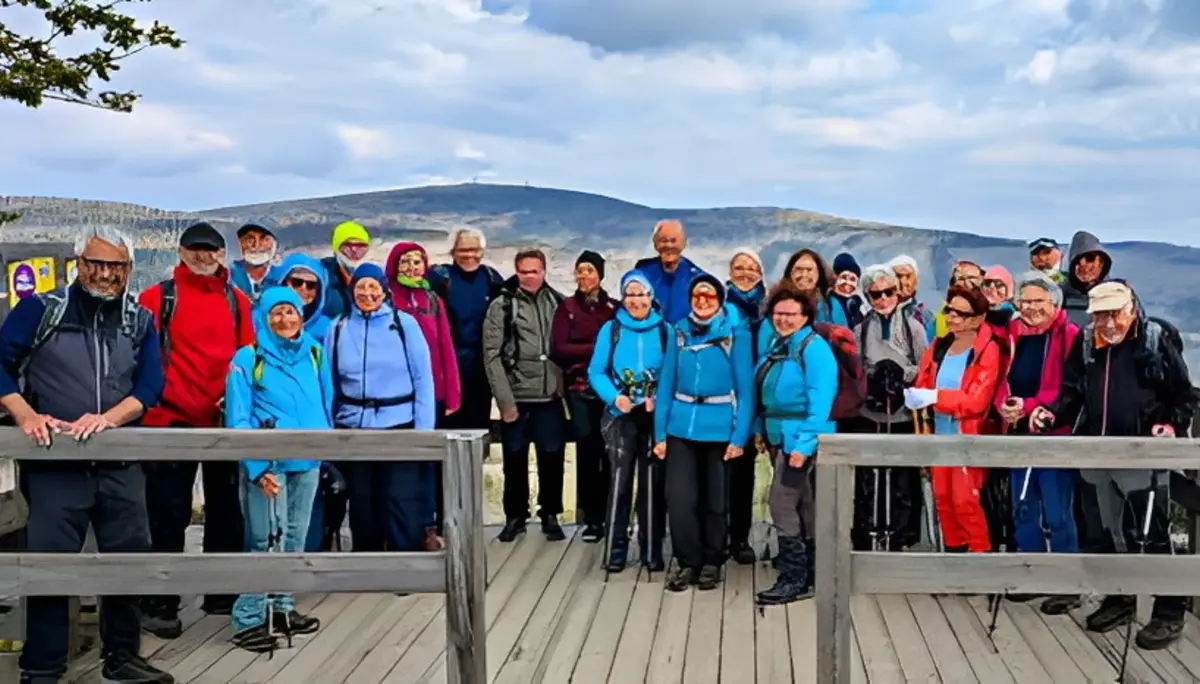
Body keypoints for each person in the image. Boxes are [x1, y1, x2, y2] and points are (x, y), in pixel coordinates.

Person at [0, 226, 173, 683]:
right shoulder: (42, 309)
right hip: (56, 463)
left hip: (120, 460)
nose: (105, 273)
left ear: (129, 270)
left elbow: (151, 385)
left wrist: (109, 419)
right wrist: (24, 414)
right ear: (79, 263)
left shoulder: (138, 319)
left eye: (115, 265)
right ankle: (41, 667)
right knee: (51, 566)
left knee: (128, 561)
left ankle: (122, 656)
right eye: (95, 262)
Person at [1032, 281, 1197, 649]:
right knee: (1105, 533)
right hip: (1096, 454)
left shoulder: (1153, 341)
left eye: (1115, 313)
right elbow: (1073, 391)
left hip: (1142, 455)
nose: (1108, 322)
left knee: (1152, 536)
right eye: (1100, 314)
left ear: (1131, 308)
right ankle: (1120, 598)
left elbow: (1183, 395)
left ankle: (1169, 612)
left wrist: (1171, 424)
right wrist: (1051, 412)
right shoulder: (1089, 344)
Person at [138, 222, 254, 631]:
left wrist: (240, 405)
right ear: (181, 252)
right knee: (167, 514)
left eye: (210, 250)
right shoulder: (157, 298)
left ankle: (220, 593)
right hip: (169, 418)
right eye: (195, 249)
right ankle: (160, 602)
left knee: (226, 513)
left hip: (222, 420)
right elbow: (137, 356)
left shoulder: (237, 301)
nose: (203, 256)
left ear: (222, 255)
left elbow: (247, 357)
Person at [224, 286, 329, 653]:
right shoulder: (247, 358)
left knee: (295, 537)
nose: (285, 320)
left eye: (291, 312)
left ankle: (281, 606)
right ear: (263, 317)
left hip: (308, 460)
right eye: (276, 313)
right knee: (264, 538)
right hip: (268, 464)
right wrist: (255, 466)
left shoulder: (315, 352)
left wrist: (325, 447)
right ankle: (250, 616)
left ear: (302, 314)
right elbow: (237, 417)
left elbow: (325, 401)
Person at [654, 274, 755, 592]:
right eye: (697, 295)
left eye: (709, 296)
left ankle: (713, 560)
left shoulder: (734, 332)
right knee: (680, 499)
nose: (702, 301)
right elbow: (666, 383)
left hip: (720, 425)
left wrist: (740, 437)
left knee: (715, 499)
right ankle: (688, 561)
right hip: (681, 424)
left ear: (720, 299)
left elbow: (746, 388)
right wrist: (659, 434)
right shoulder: (679, 330)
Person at [326, 265, 436, 553]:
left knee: (401, 498)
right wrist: (327, 431)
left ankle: (404, 563)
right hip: (354, 426)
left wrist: (424, 433)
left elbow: (423, 379)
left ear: (384, 291)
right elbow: (329, 385)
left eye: (373, 287)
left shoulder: (404, 324)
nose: (367, 293)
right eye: (361, 287)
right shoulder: (337, 328)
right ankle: (367, 561)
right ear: (352, 291)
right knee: (362, 499)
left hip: (400, 423)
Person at [993, 272, 1080, 610]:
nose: (1029, 308)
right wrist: (1005, 404)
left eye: (1037, 302)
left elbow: (1068, 389)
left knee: (1058, 512)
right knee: (1023, 506)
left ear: (1053, 303)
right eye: (1024, 301)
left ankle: (1066, 581)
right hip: (1017, 431)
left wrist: (1030, 406)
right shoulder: (1014, 332)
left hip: (1054, 433)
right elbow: (1003, 376)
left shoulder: (1068, 334)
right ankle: (1031, 574)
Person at [754, 286, 839, 605]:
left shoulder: (813, 349)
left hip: (800, 439)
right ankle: (810, 571)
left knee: (782, 503)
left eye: (791, 314)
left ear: (805, 316)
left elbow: (821, 401)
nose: (784, 319)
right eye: (779, 313)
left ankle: (794, 576)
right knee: (804, 504)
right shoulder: (781, 344)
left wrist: (804, 445)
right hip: (781, 434)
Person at [907, 285, 1005, 553]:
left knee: (967, 502)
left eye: (960, 314)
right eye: (949, 311)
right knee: (943, 500)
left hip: (970, 436)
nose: (951, 318)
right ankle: (954, 559)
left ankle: (979, 561)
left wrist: (934, 397)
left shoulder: (988, 350)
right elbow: (923, 382)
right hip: (939, 434)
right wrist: (915, 395)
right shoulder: (939, 345)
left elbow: (976, 401)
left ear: (977, 318)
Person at [483, 249, 568, 542]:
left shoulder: (558, 303)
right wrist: (505, 402)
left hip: (550, 396)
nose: (529, 276)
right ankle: (515, 516)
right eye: (523, 271)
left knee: (552, 456)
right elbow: (491, 356)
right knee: (514, 458)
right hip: (517, 395)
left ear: (544, 271)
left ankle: (550, 514)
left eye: (534, 271)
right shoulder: (502, 306)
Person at [587, 271, 668, 572]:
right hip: (621, 414)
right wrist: (614, 397)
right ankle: (614, 550)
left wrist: (659, 399)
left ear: (651, 297)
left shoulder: (665, 331)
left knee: (652, 484)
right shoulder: (612, 329)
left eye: (641, 294)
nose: (636, 300)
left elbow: (672, 372)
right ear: (622, 297)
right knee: (620, 482)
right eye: (630, 294)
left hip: (653, 416)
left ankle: (651, 550)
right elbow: (596, 371)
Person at [385, 241, 463, 547]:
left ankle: (429, 527)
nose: (412, 268)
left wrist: (453, 392)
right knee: (403, 467)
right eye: (405, 262)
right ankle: (399, 531)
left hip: (434, 393)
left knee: (430, 463)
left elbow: (446, 346)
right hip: (399, 397)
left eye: (417, 262)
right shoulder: (387, 298)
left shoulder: (432, 299)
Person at [848, 264, 928, 551]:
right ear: (868, 297)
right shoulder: (861, 329)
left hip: (903, 413)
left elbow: (924, 367)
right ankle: (865, 531)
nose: (883, 299)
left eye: (888, 292)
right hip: (871, 412)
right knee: (867, 478)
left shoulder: (913, 328)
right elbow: (857, 367)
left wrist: (900, 375)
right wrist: (874, 377)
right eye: (875, 294)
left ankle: (901, 535)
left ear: (897, 291)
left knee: (903, 479)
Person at [277, 253, 343, 553]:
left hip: (311, 433)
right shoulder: (258, 325)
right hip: (271, 434)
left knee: (309, 504)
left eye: (311, 285)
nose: (303, 290)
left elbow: (328, 389)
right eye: (296, 282)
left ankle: (305, 563)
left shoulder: (326, 331)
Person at [551, 250, 617, 544]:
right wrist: (596, 349)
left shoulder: (613, 308)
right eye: (580, 270)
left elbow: (618, 345)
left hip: (608, 391)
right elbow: (559, 348)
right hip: (578, 391)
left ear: (600, 274)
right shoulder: (566, 308)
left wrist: (586, 349)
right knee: (587, 454)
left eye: (590, 270)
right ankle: (592, 519)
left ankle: (613, 516)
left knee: (612, 453)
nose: (584, 276)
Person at [1057, 230, 1113, 555]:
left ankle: (1109, 580)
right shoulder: (1061, 299)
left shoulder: (1116, 297)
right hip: (1070, 408)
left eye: (1095, 259)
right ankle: (1074, 573)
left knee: (1103, 503)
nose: (1089, 266)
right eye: (1083, 259)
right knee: (1073, 500)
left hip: (1106, 409)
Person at [427, 228, 506, 431]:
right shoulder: (439, 278)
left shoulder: (491, 278)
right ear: (453, 252)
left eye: (475, 249)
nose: (470, 255)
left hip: (481, 372)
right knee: (447, 430)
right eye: (463, 250)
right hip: (448, 370)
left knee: (478, 430)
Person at [724, 247, 766, 565]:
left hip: (755, 400)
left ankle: (739, 538)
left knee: (743, 476)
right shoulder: (721, 308)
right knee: (717, 476)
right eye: (739, 267)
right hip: (721, 400)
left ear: (760, 274)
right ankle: (716, 537)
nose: (744, 272)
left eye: (751, 268)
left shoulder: (768, 308)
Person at [628, 219, 708, 324]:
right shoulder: (641, 275)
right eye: (663, 241)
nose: (669, 245)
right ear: (655, 244)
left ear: (683, 243)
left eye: (673, 241)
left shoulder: (698, 279)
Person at [319, 221, 372, 322]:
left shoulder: (370, 277)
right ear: (336, 248)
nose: (354, 252)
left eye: (361, 248)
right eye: (348, 247)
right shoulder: (323, 277)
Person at [780, 249, 847, 326]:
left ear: (819, 274)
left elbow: (843, 335)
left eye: (809, 270)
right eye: (799, 269)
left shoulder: (830, 304)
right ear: (790, 273)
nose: (804, 275)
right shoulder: (776, 303)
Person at [1060, 230, 1112, 328]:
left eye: (1090, 258)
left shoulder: (1116, 294)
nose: (1083, 265)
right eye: (1090, 258)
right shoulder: (1057, 295)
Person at [279, 253, 334, 341]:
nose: (303, 288)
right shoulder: (260, 319)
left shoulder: (328, 330)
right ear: (284, 282)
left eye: (311, 285)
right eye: (297, 282)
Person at [229, 223, 282, 302]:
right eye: (249, 239)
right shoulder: (228, 276)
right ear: (240, 243)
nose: (256, 246)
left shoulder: (283, 277)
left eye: (265, 239)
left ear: (276, 244)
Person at [889, 255, 936, 341]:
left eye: (908, 276)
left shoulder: (925, 317)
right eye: (898, 276)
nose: (903, 282)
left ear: (916, 282)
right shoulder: (876, 315)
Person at [831, 253, 865, 331]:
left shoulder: (857, 304)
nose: (847, 282)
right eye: (843, 277)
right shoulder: (827, 303)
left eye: (852, 279)